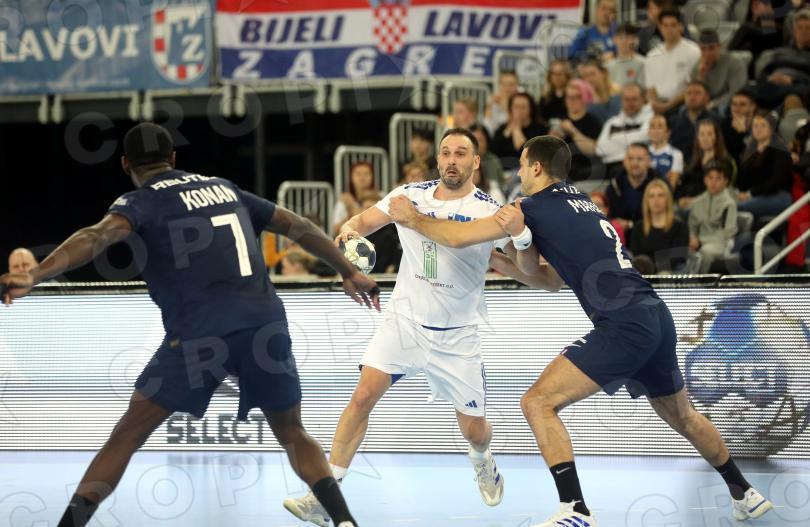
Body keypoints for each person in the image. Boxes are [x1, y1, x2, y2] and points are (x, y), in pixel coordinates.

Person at [0, 123, 381, 527]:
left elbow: (96, 236)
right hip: (264, 324)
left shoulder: (140, 202)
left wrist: (36, 274)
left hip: (201, 333)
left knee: (128, 434)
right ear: (173, 158)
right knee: (292, 433)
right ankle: (344, 520)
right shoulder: (224, 188)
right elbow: (297, 225)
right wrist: (348, 271)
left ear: (126, 164)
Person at [385, 135, 773, 527]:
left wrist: (412, 217)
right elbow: (551, 281)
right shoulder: (582, 202)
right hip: (655, 314)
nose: (519, 174)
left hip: (623, 325)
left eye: (522, 166)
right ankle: (745, 493)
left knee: (537, 402)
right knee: (683, 415)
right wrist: (503, 262)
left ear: (537, 168)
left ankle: (576, 510)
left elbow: (454, 236)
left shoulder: (529, 207)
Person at [282, 128, 562, 526]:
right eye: (445, 152)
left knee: (475, 432)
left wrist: (518, 252)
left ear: (475, 162)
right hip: (404, 322)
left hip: (457, 334)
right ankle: (323, 496)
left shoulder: (490, 210)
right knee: (362, 396)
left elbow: (522, 266)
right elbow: (360, 221)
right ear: (438, 159)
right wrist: (349, 233)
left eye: (461, 153)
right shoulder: (409, 195)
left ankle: (483, 461)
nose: (451, 160)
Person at [737, 113, 795, 219]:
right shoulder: (749, 151)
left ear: (772, 128)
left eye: (763, 125)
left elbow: (777, 181)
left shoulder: (780, 150)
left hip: (779, 196)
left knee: (736, 208)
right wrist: (742, 193)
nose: (758, 129)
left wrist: (750, 194)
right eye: (755, 125)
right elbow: (743, 178)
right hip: (757, 196)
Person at [645, 8, 701, 116]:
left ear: (681, 27)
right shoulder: (652, 55)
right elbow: (650, 89)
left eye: (673, 25)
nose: (669, 29)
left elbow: (693, 86)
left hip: (682, 105)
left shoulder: (693, 52)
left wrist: (668, 105)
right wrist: (653, 104)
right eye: (665, 25)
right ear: (659, 27)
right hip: (657, 106)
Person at [630, 179, 690, 273]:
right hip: (643, 272)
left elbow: (678, 257)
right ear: (646, 201)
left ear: (667, 199)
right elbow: (636, 255)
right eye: (651, 196)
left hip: (670, 272)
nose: (656, 200)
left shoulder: (679, 227)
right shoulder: (639, 227)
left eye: (660, 195)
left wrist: (653, 268)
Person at [549, 79, 603, 182]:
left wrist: (573, 131)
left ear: (584, 98)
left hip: (584, 167)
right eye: (569, 97)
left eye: (576, 97)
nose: (571, 101)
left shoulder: (593, 121)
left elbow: (592, 151)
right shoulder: (559, 119)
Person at [688, 163, 738, 273]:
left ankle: (699, 281)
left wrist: (701, 241)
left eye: (718, 178)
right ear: (705, 180)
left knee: (705, 252)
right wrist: (692, 238)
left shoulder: (729, 204)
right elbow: (692, 226)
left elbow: (728, 233)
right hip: (699, 243)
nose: (713, 182)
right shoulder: (697, 202)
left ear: (725, 181)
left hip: (721, 244)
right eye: (710, 178)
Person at [678, 119, 737, 210]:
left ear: (717, 137)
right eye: (702, 134)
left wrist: (693, 201)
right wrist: (681, 199)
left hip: (712, 206)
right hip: (687, 204)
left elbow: (718, 190)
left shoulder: (724, 162)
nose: (705, 138)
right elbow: (684, 183)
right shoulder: (692, 161)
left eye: (709, 134)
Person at [606, 143, 663, 235]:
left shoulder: (660, 186)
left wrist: (630, 224)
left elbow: (663, 216)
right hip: (619, 236)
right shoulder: (614, 185)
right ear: (624, 162)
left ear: (649, 162)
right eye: (630, 159)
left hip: (652, 234)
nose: (634, 163)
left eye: (640, 159)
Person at [596, 83, 653, 166]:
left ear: (642, 100)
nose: (630, 103)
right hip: (609, 166)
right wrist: (632, 143)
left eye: (634, 99)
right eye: (627, 99)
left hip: (637, 165)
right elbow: (600, 150)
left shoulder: (651, 119)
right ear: (621, 101)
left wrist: (614, 138)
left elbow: (645, 136)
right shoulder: (611, 122)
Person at [691, 29, 747, 113]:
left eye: (711, 48)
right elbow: (693, 94)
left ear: (719, 46)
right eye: (703, 49)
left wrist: (713, 104)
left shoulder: (734, 63)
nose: (707, 53)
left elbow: (737, 92)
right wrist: (700, 76)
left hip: (728, 105)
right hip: (705, 105)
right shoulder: (697, 66)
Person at [491, 93, 548, 170]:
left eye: (523, 107)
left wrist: (517, 129)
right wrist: (507, 132)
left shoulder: (540, 129)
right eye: (516, 107)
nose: (519, 111)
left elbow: (526, 154)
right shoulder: (503, 128)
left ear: (530, 109)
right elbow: (493, 151)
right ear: (510, 109)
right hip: (503, 171)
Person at [669, 80, 714, 164]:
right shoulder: (674, 121)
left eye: (697, 93)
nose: (692, 97)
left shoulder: (715, 121)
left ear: (707, 97)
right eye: (689, 93)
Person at [332, 161, 377, 235]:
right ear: (351, 177)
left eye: (366, 174)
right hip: (351, 239)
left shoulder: (381, 196)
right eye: (358, 174)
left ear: (372, 177)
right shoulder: (345, 200)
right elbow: (335, 230)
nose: (362, 178)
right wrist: (350, 213)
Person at [648, 114, 684, 189]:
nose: (655, 131)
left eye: (660, 127)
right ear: (648, 132)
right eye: (652, 126)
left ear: (668, 132)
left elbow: (672, 185)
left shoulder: (676, 154)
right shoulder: (643, 153)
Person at [721, 89, 757, 162]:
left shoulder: (761, 125)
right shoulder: (724, 124)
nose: (736, 108)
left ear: (752, 107)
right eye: (734, 104)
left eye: (742, 104)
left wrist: (743, 133)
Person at [606, 22, 646, 88]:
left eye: (627, 37)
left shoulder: (642, 63)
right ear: (614, 39)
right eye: (621, 37)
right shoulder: (608, 65)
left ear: (634, 40)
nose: (624, 41)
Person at [484, 70, 521, 135]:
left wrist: (505, 106)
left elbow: (517, 123)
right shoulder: (496, 98)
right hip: (498, 135)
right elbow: (487, 128)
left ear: (517, 85)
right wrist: (489, 107)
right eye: (504, 84)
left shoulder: (523, 99)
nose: (507, 88)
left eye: (511, 85)